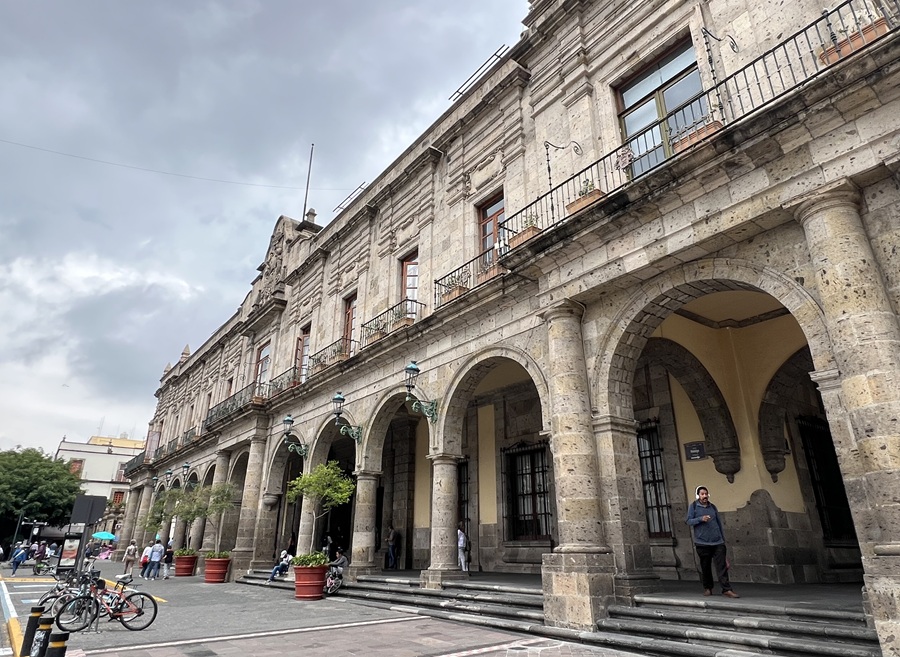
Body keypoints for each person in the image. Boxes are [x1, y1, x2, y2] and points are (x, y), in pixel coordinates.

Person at [686, 485, 739, 598]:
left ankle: (726, 589)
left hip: (717, 542)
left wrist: (722, 539)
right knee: (706, 567)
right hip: (702, 542)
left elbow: (719, 524)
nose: (705, 496)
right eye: (702, 494)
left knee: (722, 567)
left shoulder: (713, 507)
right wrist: (700, 519)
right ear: (698, 495)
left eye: (706, 494)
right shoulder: (694, 506)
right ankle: (708, 588)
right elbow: (688, 521)